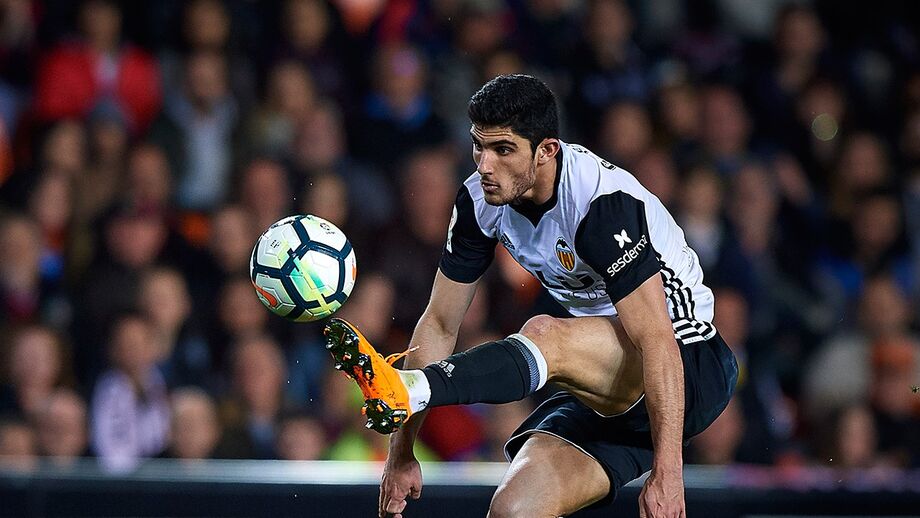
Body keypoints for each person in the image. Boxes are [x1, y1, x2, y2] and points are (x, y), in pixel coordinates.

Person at [323, 74, 738, 518]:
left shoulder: (599, 203)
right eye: (478, 146)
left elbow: (656, 339)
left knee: (543, 332)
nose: (485, 165)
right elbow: (440, 324)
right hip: (602, 385)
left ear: (546, 150)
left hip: (686, 365)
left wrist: (670, 474)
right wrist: (402, 452)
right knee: (514, 511)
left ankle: (416, 387)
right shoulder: (478, 202)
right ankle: (413, 389)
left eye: (503, 150)